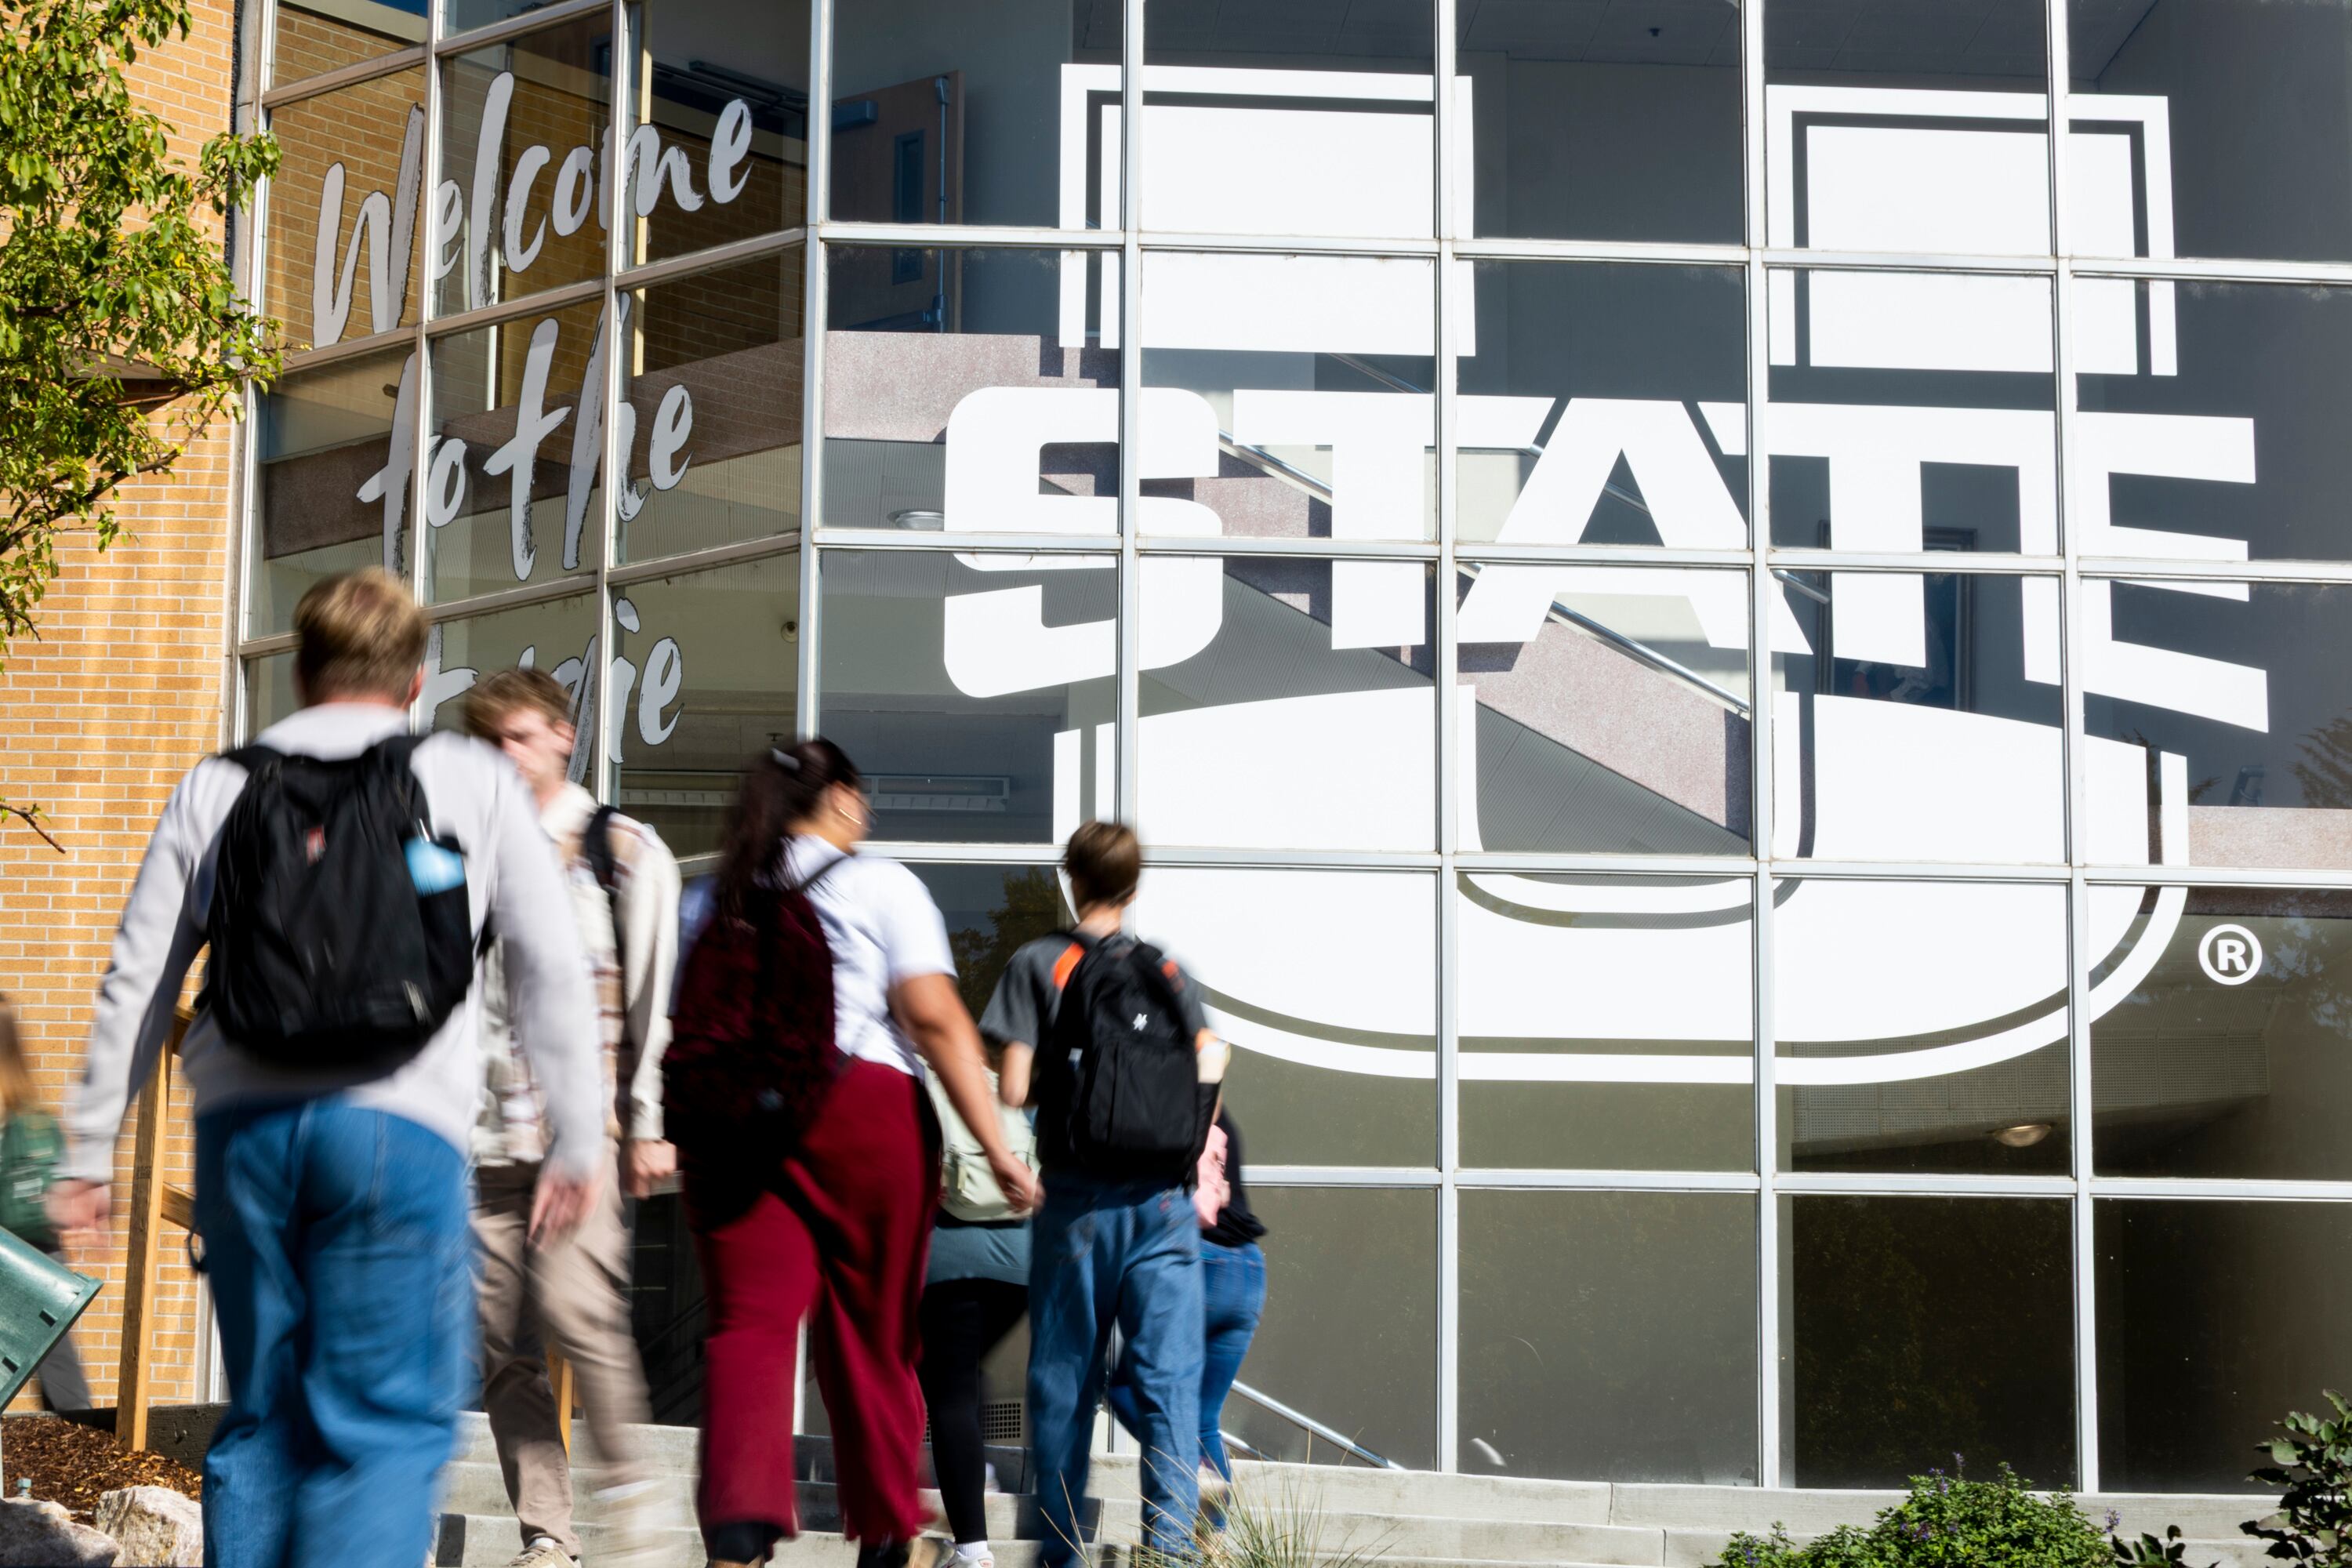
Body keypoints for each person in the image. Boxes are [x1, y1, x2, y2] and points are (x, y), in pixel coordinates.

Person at [54, 568, 604, 1568]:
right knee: (383, 1421)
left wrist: (90, 1144)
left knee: (266, 1406)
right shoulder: (466, 777)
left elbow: (137, 976)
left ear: (301, 669)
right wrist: (576, 1130)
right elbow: (549, 967)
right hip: (401, 1131)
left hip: (244, 1134)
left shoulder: (217, 784)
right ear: (417, 679)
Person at [683, 740, 1040, 1568]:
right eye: (860, 797)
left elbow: (677, 1027)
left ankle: (738, 1529)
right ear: (840, 799)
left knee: (749, 1325)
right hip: (860, 1108)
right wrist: (997, 1145)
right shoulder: (881, 883)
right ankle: (887, 1526)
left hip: (731, 1123)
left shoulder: (709, 896)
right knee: (871, 1329)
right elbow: (937, 1020)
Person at [458, 669, 684, 1568]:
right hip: (481, 1137)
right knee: (501, 1345)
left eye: (518, 737)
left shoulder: (623, 850)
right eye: (490, 744)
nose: (505, 758)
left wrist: (645, 1116)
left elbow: (651, 1002)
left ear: (562, 734)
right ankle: (547, 1531)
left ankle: (635, 1502)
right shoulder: (468, 851)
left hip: (579, 1138)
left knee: (582, 1313)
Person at [997, 822, 1221, 1566]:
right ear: (1133, 885)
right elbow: (1210, 1071)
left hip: (1077, 1205)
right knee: (1169, 1387)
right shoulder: (1170, 973)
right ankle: (1170, 1554)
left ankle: (1060, 1551)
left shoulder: (1042, 962)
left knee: (1065, 1383)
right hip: (1163, 1207)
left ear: (1072, 877)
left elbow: (1013, 1086)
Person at [1105, 1109, 1268, 1516]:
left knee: (1126, 1387)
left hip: (1201, 1261)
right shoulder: (1223, 1116)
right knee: (1202, 1419)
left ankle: (1190, 1470)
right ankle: (1211, 1537)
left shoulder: (1172, 1108)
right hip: (1248, 1270)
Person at [914, 1033, 1037, 1568]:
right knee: (962, 1379)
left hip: (950, 1257)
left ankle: (971, 1549)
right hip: (1019, 1264)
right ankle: (976, 1478)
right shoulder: (1002, 1093)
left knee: (949, 1394)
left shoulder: (920, 1083)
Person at [0, 991, 89, 1411]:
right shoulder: (35, 1116)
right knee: (59, 1364)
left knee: (57, 1363)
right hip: (41, 1254)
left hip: (11, 1251)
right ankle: (87, 1445)